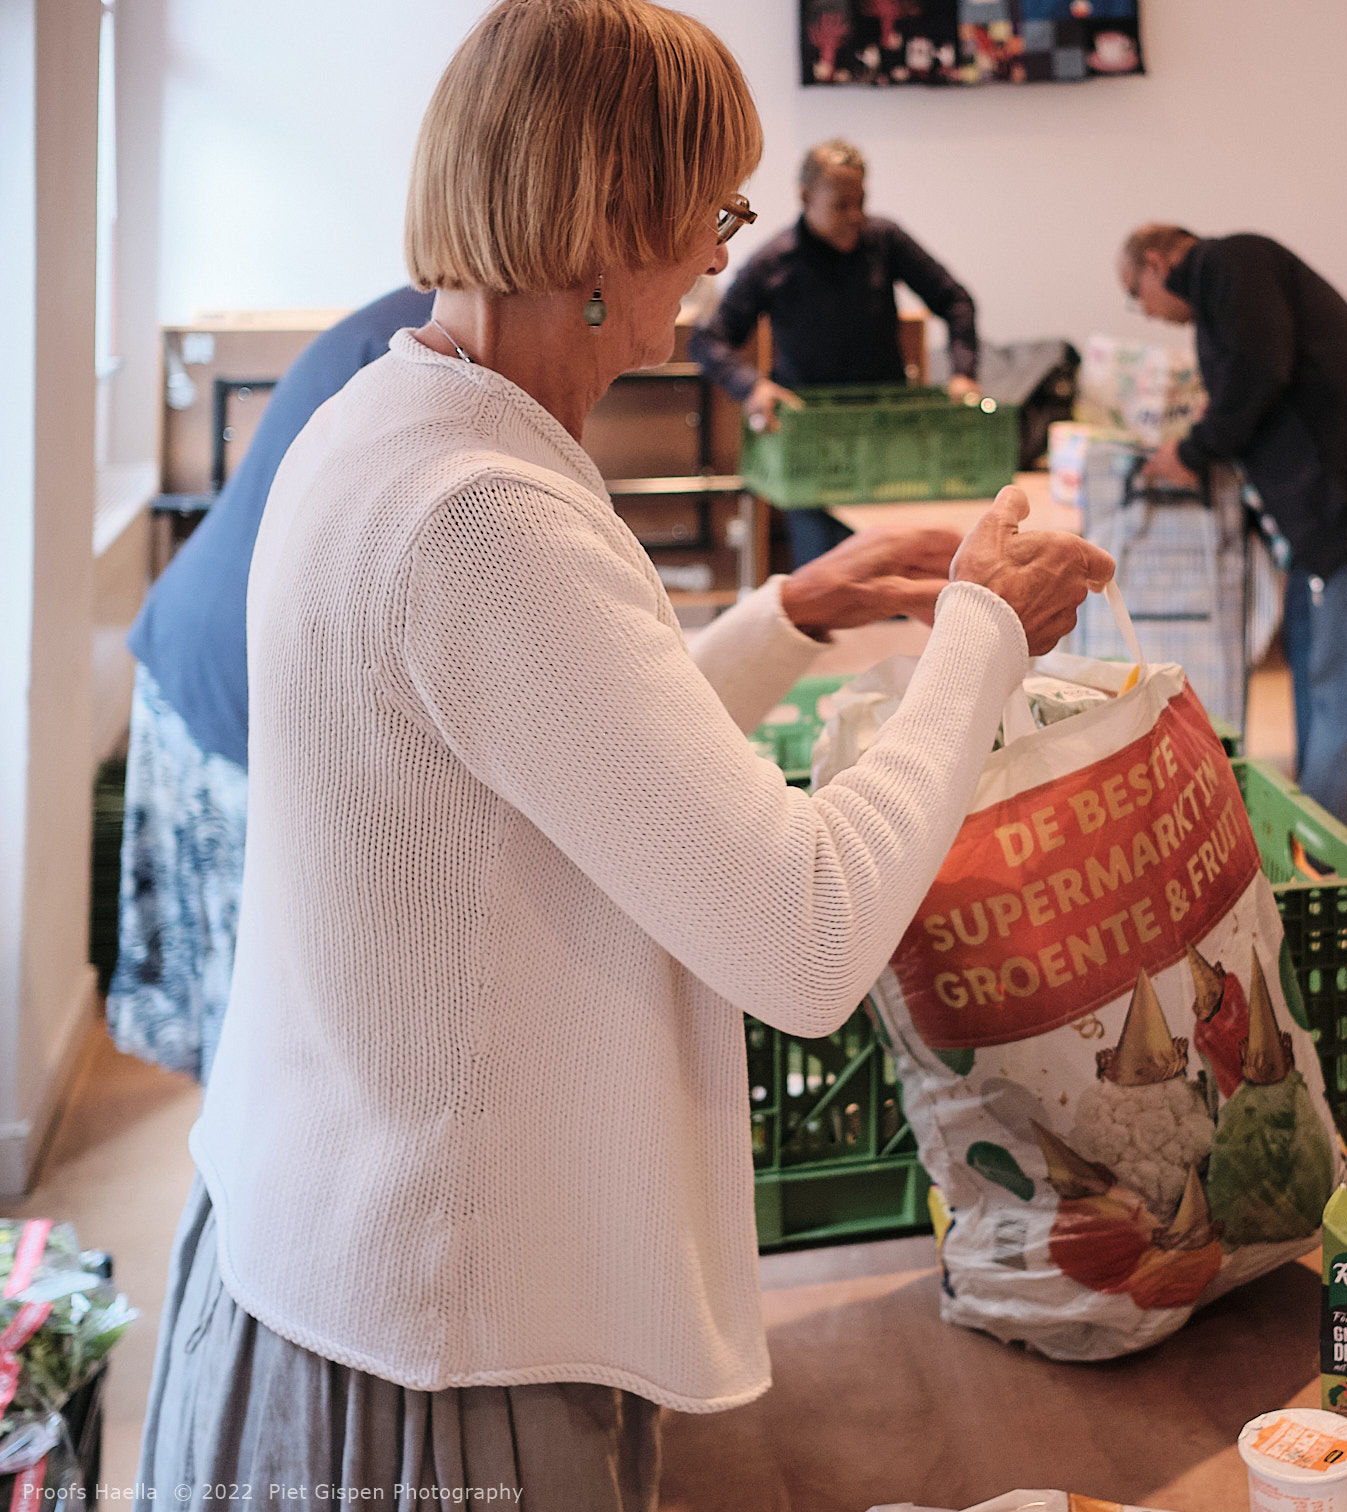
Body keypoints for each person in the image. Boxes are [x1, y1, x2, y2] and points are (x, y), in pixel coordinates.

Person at [137, 1, 1111, 1501]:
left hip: (335, 1242)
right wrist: (980, 637)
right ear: (607, 219)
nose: (721, 256)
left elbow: (545, 769)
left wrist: (787, 615)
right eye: (712, 210)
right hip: (433, 1334)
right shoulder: (485, 516)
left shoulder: (391, 416)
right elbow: (804, 932)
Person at [109, 284, 433, 1082]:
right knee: (257, 1031)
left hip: (207, 643)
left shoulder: (408, 325)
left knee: (246, 1009)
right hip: (228, 667)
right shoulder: (423, 350)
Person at [1120, 224, 1347, 833]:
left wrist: (1191, 451)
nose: (1148, 312)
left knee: (1342, 676)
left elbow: (1257, 373)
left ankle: (1326, 853)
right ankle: (1310, 826)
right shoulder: (1224, 287)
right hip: (1336, 501)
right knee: (1314, 657)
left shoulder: (1229, 262)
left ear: (1156, 263)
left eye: (1137, 295)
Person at [692, 138, 983, 566]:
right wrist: (752, 386)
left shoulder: (884, 239)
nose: (855, 217)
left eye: (860, 203)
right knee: (826, 568)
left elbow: (955, 300)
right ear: (806, 198)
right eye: (841, 205)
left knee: (898, 566)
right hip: (812, 445)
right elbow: (708, 339)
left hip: (886, 434)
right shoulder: (775, 261)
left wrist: (963, 372)